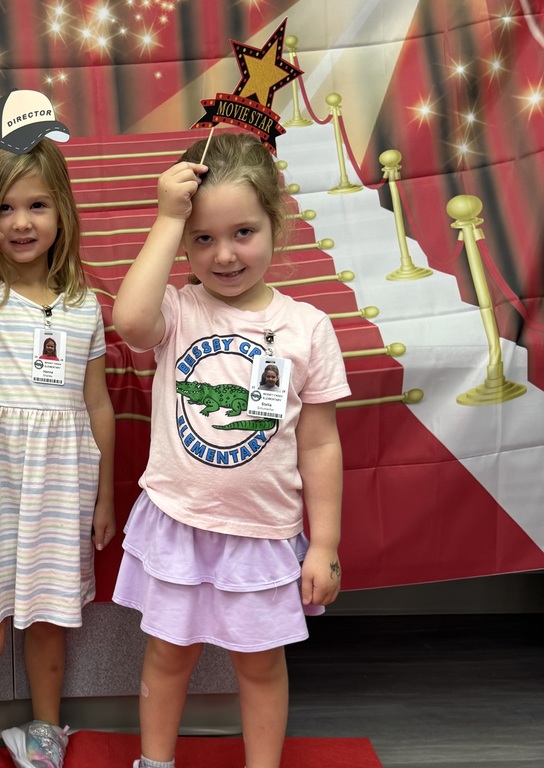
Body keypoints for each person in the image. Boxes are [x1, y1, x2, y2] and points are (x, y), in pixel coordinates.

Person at [111, 131, 350, 768]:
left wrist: (323, 545)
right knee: (167, 657)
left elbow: (321, 442)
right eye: (203, 239)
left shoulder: (307, 327)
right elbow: (129, 322)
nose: (223, 256)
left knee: (261, 666)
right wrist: (167, 218)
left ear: (276, 224)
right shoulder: (177, 309)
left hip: (263, 533)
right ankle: (154, 762)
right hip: (179, 521)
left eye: (243, 232)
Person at [0, 138, 116, 768]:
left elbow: (96, 406)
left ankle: (44, 735)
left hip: (62, 482)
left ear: (62, 209)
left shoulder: (85, 303)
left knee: (50, 625)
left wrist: (104, 495)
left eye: (37, 205)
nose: (22, 222)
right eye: (5, 208)